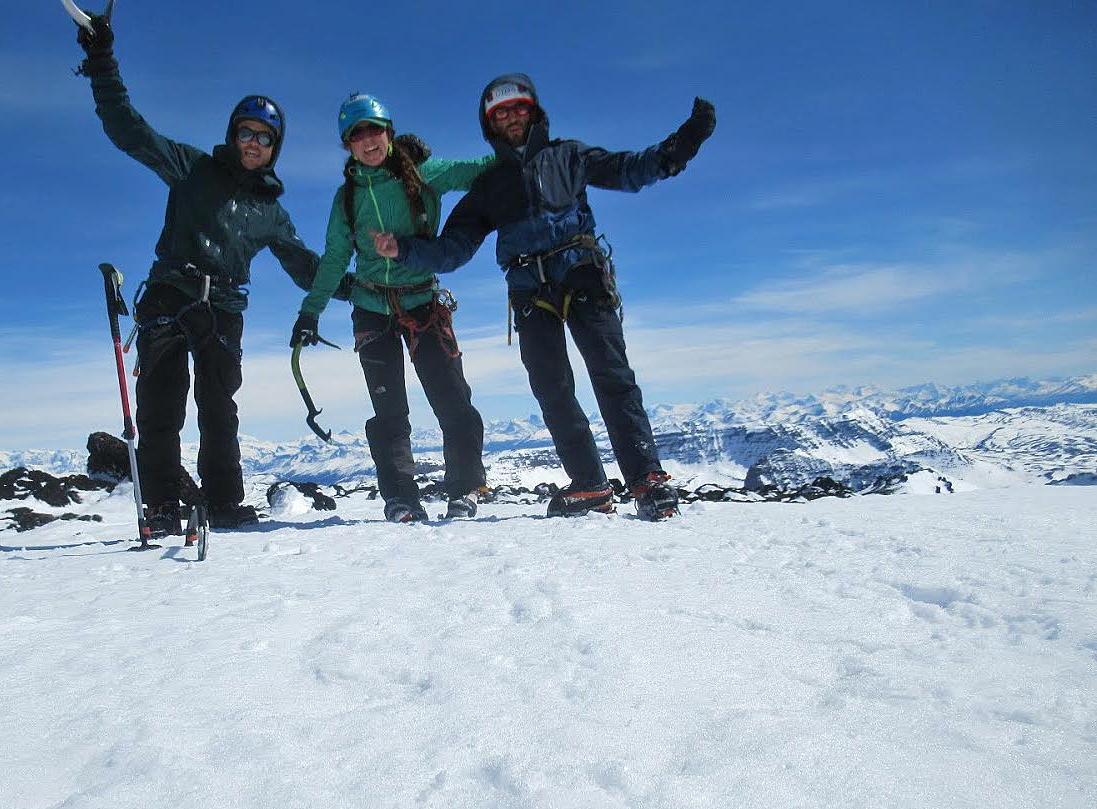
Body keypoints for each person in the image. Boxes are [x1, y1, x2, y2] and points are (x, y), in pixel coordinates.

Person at [373, 74, 715, 521]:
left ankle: (646, 480)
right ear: (490, 125)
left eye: (518, 108)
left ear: (533, 112)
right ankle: (590, 484)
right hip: (530, 291)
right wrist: (405, 249)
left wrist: (680, 147)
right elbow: (454, 248)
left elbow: (629, 169)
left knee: (612, 376)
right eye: (500, 113)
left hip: (582, 275)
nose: (511, 118)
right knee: (552, 389)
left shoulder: (567, 155)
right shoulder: (491, 185)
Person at [72, 11, 325, 533]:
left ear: (276, 147)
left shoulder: (271, 212)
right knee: (161, 406)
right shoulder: (191, 169)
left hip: (225, 309)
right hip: (170, 295)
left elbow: (304, 266)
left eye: (265, 137)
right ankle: (163, 504)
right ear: (233, 134)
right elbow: (129, 130)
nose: (253, 142)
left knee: (219, 410)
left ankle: (226, 502)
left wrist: (358, 282)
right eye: (246, 131)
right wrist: (102, 63)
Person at [291, 93, 493, 523]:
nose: (367, 140)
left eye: (374, 129)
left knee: (451, 398)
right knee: (389, 410)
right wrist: (310, 311)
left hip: (423, 302)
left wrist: (523, 153)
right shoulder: (346, 199)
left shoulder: (424, 175)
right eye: (356, 133)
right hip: (370, 307)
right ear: (348, 144)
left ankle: (465, 489)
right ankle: (401, 498)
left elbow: (477, 170)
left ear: (389, 132)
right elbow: (332, 259)